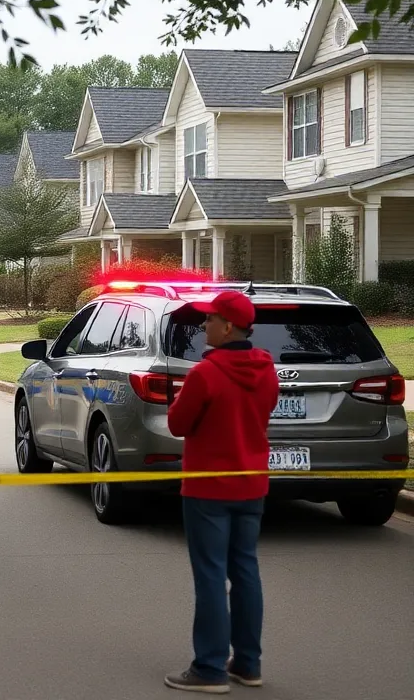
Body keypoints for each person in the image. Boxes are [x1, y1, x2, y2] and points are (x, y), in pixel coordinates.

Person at [165, 290, 279, 694]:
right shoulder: (267, 369)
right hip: (251, 484)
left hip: (208, 489)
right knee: (245, 571)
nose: (203, 325)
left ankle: (210, 668)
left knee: (211, 576)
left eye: (210, 319)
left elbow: (178, 424)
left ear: (228, 326)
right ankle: (248, 663)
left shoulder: (204, 374)